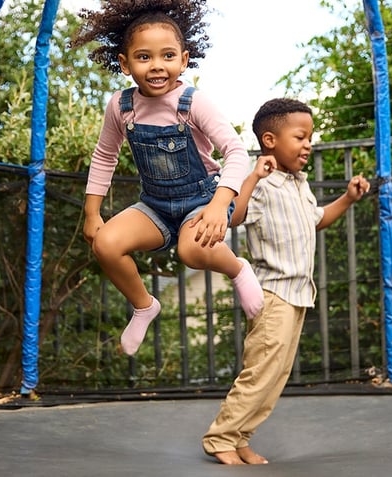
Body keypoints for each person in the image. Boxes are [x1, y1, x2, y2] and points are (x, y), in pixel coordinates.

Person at [70, 0, 263, 356]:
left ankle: (238, 270)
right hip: (155, 205)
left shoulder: (193, 102)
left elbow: (237, 152)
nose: (157, 66)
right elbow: (104, 155)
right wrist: (93, 212)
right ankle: (144, 306)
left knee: (191, 250)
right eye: (144, 57)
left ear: (184, 60)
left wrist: (220, 204)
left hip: (204, 199)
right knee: (106, 244)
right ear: (126, 64)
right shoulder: (120, 106)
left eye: (167, 56)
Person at [201, 98, 371, 465]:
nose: (308, 143)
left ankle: (241, 436)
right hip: (272, 293)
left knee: (276, 375)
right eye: (300, 136)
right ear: (270, 140)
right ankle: (220, 438)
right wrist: (251, 178)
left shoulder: (298, 184)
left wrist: (348, 197)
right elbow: (235, 216)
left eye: (310, 137)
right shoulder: (261, 182)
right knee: (260, 370)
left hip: (297, 295)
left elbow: (317, 219)